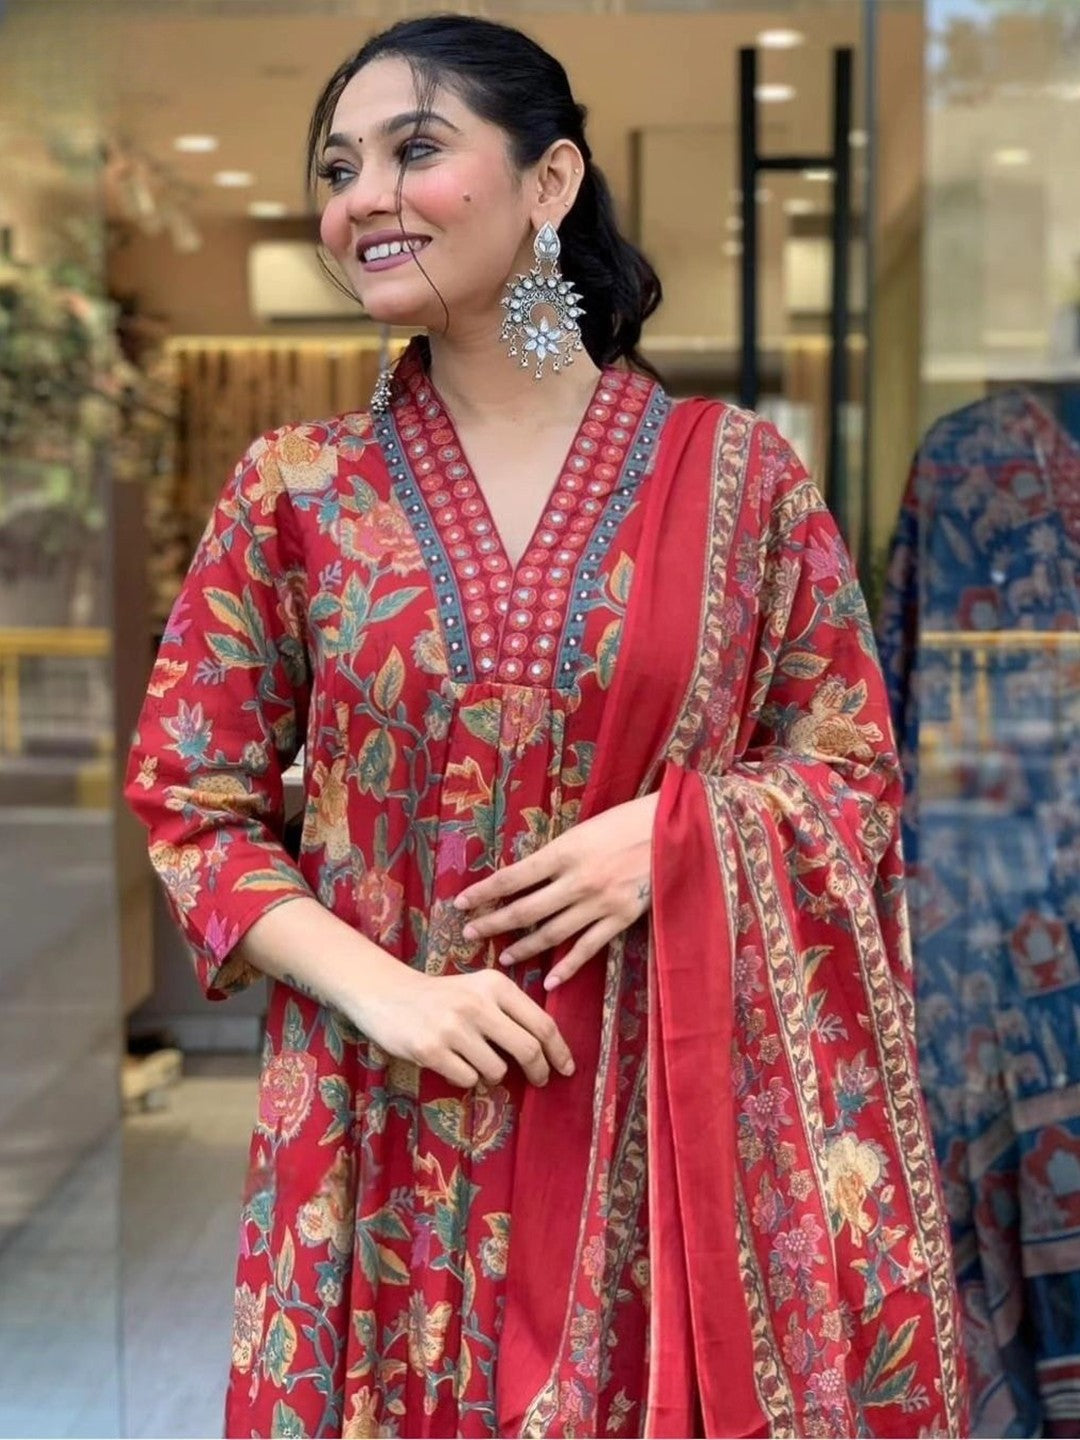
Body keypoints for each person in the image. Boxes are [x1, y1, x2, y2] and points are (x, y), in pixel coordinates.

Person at [125, 15, 967, 1438]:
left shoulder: (740, 480)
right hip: (377, 1123)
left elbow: (852, 771)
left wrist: (682, 837)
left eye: (415, 150)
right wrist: (385, 991)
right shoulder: (297, 491)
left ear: (551, 181)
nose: (363, 199)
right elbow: (189, 802)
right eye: (338, 168)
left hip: (653, 1122)